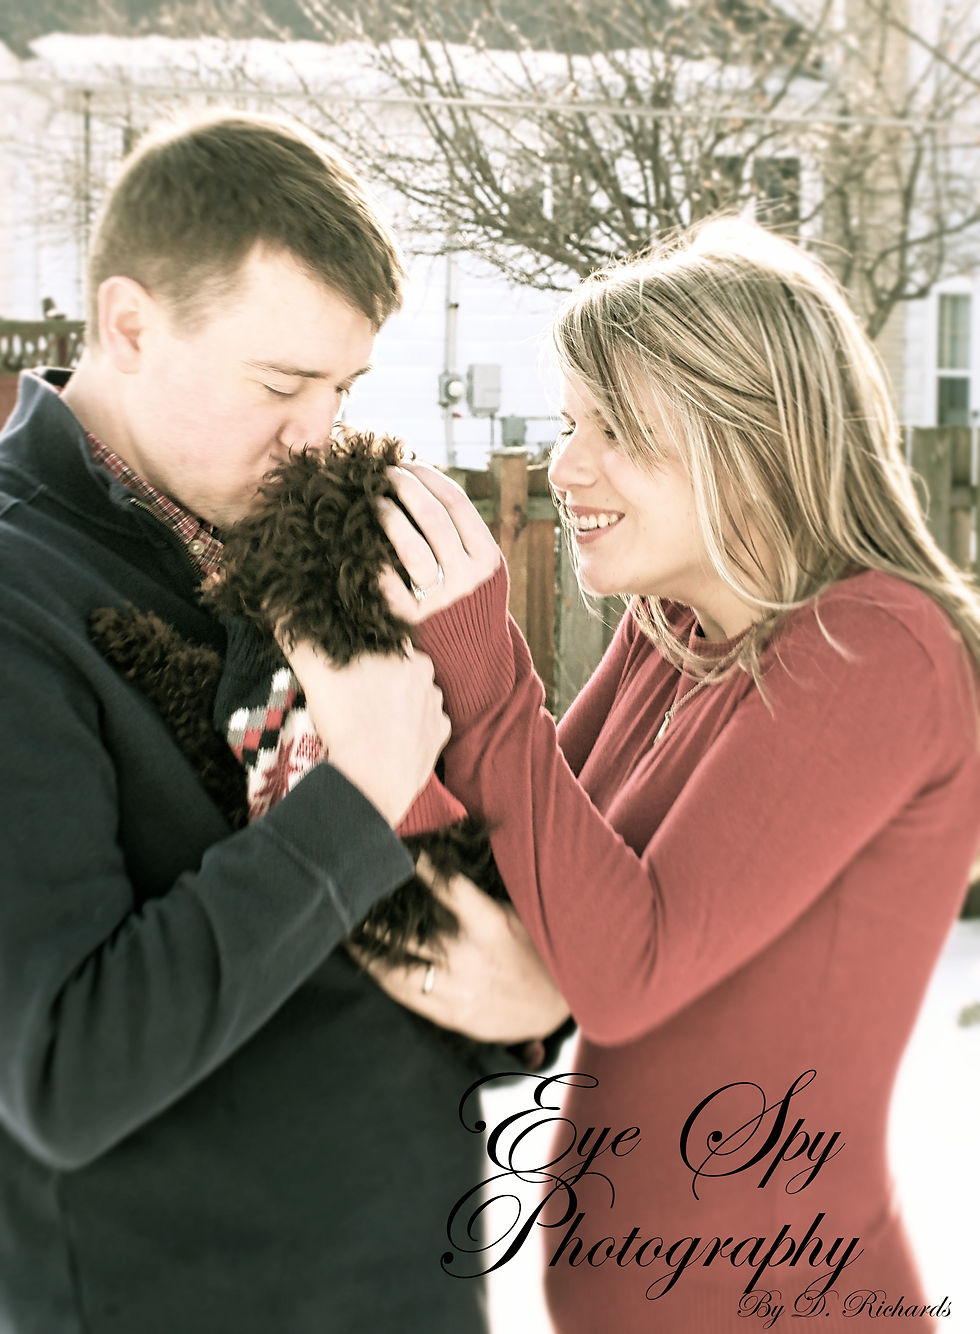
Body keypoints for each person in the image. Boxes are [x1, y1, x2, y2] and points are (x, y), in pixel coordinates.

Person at [314, 219, 980, 1331]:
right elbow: (514, 871)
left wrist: (484, 664)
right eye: (570, 424)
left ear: (748, 439)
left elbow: (624, 967)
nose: (565, 466)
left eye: (613, 428)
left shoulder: (875, 647)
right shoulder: (672, 629)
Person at [0, 108, 565, 1334]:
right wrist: (355, 793)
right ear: (130, 325)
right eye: (280, 383)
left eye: (342, 387)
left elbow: (411, 889)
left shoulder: (299, 550)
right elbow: (59, 1071)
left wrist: (526, 1004)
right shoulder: (15, 597)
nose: (318, 431)